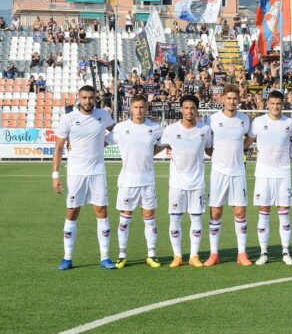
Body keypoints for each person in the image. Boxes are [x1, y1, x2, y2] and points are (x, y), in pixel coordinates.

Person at [51, 85, 116, 270]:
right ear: (78, 98)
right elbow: (58, 148)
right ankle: (67, 257)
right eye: (84, 97)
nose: (88, 101)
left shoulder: (102, 115)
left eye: (91, 98)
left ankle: (105, 256)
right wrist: (55, 175)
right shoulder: (69, 119)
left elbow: (116, 130)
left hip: (97, 171)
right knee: (72, 212)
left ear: (95, 98)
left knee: (102, 212)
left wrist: (105, 140)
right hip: (75, 173)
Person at [108, 95, 163, 269]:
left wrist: (150, 154)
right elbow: (102, 141)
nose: (139, 110)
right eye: (136, 107)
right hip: (127, 182)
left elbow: (165, 143)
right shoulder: (120, 128)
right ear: (130, 108)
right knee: (124, 220)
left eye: (142, 107)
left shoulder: (154, 128)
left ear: (146, 108)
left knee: (150, 219)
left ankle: (151, 254)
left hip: (147, 181)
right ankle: (122, 254)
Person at [205, 84, 254, 266]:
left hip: (238, 171)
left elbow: (250, 137)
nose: (232, 102)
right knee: (216, 212)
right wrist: (218, 156)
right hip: (218, 172)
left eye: (235, 98)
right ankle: (214, 253)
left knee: (240, 211)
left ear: (238, 100)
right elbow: (208, 145)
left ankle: (241, 253)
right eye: (229, 98)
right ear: (222, 99)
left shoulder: (244, 120)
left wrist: (242, 148)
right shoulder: (213, 119)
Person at [161, 95, 212, 268]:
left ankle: (194, 256)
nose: (189, 111)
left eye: (192, 108)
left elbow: (211, 149)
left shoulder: (204, 130)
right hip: (177, 184)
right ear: (181, 110)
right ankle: (177, 255)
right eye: (186, 108)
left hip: (197, 183)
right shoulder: (171, 130)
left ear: (197, 110)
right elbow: (155, 147)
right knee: (175, 219)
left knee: (196, 220)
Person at [247, 90, 292, 265]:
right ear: (267, 104)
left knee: (284, 213)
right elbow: (247, 142)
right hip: (263, 174)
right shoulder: (258, 122)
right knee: (264, 213)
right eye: (272, 103)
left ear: (283, 104)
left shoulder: (290, 123)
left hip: (283, 174)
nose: (275, 107)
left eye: (279, 104)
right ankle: (264, 252)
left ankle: (285, 252)